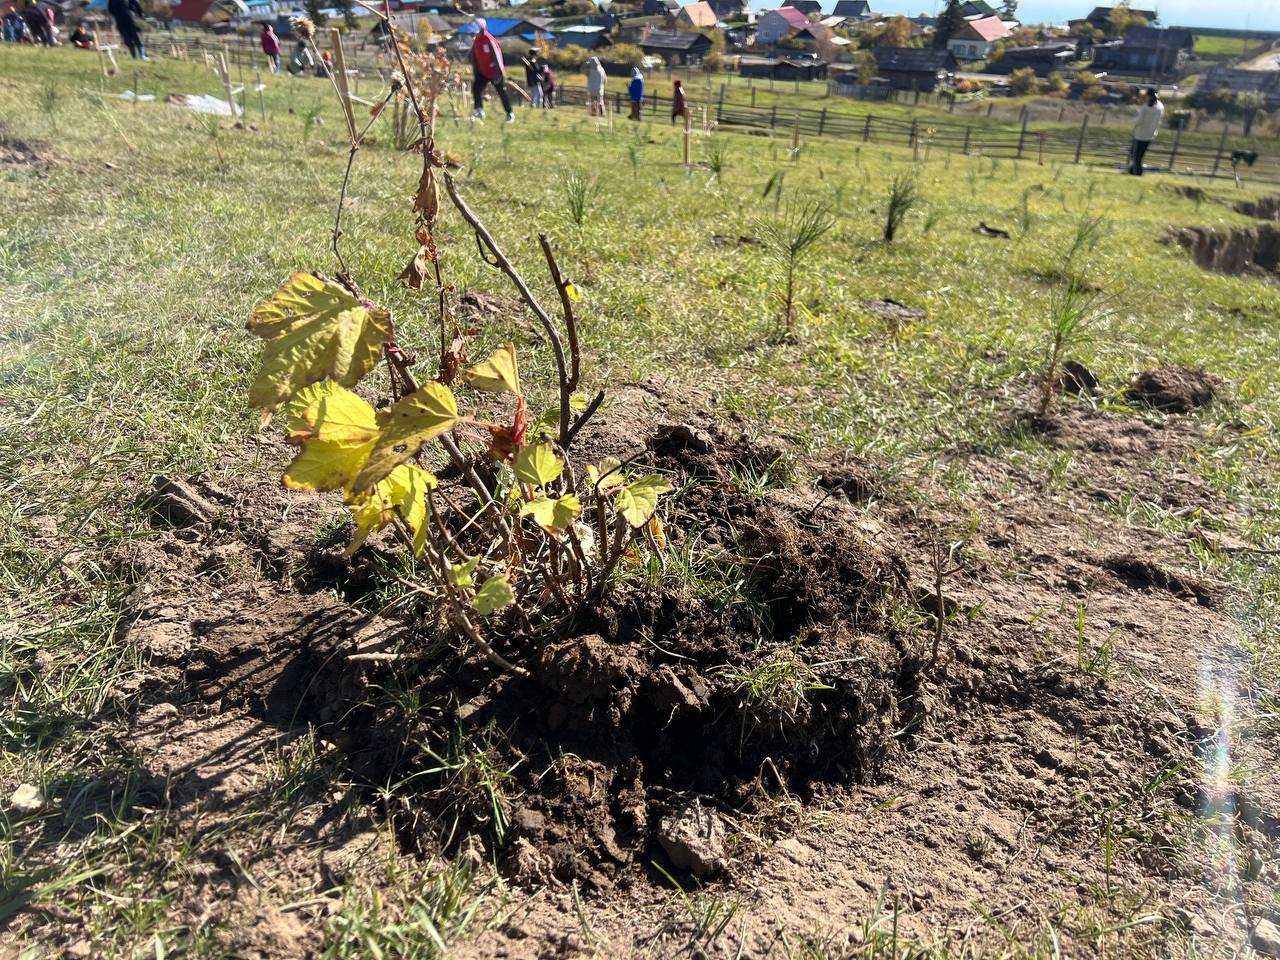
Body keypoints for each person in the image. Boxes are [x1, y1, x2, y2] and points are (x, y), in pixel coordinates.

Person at [470, 18, 514, 123]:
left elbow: (498, 56)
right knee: (476, 89)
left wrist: (498, 73)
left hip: (495, 72)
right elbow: (475, 56)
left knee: (501, 92)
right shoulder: (476, 40)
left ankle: (510, 113)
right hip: (483, 72)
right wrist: (476, 71)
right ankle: (479, 111)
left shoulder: (489, 39)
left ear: (482, 28)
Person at [1129, 87, 1164, 177]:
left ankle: (1137, 172)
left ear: (1149, 96)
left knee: (1135, 154)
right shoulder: (1160, 106)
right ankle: (1133, 170)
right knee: (1139, 154)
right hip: (1151, 134)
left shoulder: (1146, 107)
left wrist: (1133, 120)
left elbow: (1139, 121)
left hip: (1140, 133)